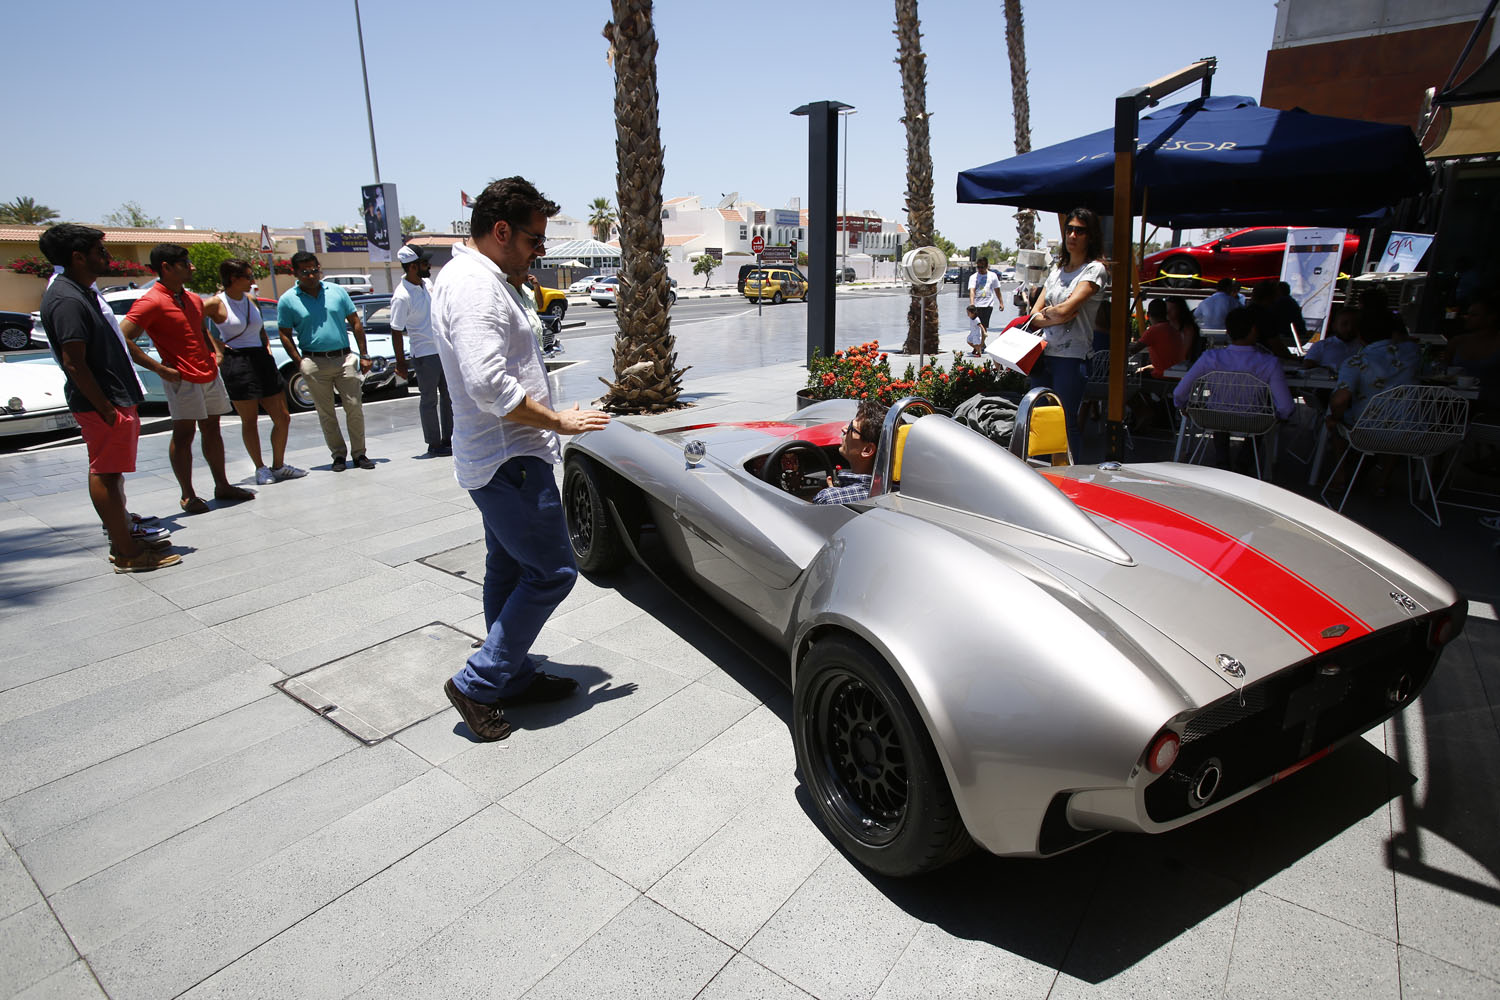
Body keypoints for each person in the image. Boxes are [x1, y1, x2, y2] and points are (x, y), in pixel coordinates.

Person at [431, 176, 611, 743]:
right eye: (535, 239)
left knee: (507, 569)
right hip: (510, 459)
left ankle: (509, 675)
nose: (540, 250)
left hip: (500, 455)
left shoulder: (477, 276)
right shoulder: (475, 287)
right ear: (502, 230)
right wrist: (557, 421)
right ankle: (478, 682)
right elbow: (488, 384)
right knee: (552, 572)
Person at [37, 225, 180, 573]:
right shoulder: (67, 299)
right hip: (103, 403)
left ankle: (124, 538)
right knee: (106, 473)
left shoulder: (80, 292)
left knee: (112, 474)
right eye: (100, 251)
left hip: (112, 398)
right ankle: (127, 552)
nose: (108, 256)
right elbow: (74, 361)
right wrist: (105, 408)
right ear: (78, 257)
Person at [120, 244, 256, 514]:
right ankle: (188, 494)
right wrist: (159, 369)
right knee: (184, 434)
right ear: (166, 267)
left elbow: (201, 330)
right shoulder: (151, 301)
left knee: (213, 429)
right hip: (181, 377)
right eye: (185, 263)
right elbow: (123, 337)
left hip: (207, 372)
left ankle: (222, 485)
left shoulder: (192, 299)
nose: (191, 267)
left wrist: (215, 352)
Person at [202, 258, 305, 485]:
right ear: (233, 278)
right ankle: (260, 467)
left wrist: (266, 348)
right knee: (250, 420)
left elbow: (259, 330)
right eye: (248, 276)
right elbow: (194, 323)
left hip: (260, 358)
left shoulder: (251, 299)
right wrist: (216, 347)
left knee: (283, 417)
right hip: (237, 360)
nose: (252, 280)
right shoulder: (215, 303)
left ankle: (278, 465)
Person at [276, 251, 374, 471]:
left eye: (314, 270)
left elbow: (355, 322)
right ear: (296, 273)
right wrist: (299, 361)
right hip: (314, 362)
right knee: (326, 412)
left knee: (354, 407)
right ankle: (338, 455)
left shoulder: (337, 291)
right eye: (305, 272)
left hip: (344, 358)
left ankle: (359, 454)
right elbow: (284, 333)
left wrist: (364, 354)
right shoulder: (288, 300)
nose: (311, 275)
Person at [1173, 307, 1295, 470]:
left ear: (1228, 331)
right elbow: (1286, 406)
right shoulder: (1270, 362)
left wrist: (1182, 405)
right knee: (1262, 419)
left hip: (1214, 418)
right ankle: (1243, 465)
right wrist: (1279, 416)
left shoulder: (1210, 357)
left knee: (1219, 414)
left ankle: (1222, 462)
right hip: (1253, 421)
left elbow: (1179, 392)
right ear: (1254, 330)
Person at [1027, 207, 1107, 446]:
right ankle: (1041, 467)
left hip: (1072, 357)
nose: (1072, 235)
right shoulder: (1056, 271)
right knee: (1039, 419)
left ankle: (1069, 469)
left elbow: (1065, 310)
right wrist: (1058, 316)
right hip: (1044, 353)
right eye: (1069, 229)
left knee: (1064, 420)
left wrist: (1054, 313)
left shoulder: (1094, 270)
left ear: (1090, 236)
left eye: (1080, 231)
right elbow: (1033, 315)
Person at [389, 244, 452, 457]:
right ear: (413, 267)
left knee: (449, 396)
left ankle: (449, 438)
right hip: (424, 355)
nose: (429, 266)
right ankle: (434, 443)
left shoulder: (427, 284)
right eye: (425, 263)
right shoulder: (402, 296)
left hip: (442, 350)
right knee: (429, 400)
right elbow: (396, 330)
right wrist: (401, 363)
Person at [814, 399, 888, 504]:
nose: (843, 429)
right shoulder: (901, 490)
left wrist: (831, 494)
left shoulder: (829, 499)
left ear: (867, 450)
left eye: (851, 428)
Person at [1129, 298, 1186, 377]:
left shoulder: (1154, 330)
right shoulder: (1175, 328)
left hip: (1163, 377)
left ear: (1148, 315)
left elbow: (1132, 351)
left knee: (1131, 377)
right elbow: (1168, 362)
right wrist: (1146, 368)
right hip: (1177, 375)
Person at [1302, 306, 1360, 372]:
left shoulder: (1364, 347)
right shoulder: (1321, 346)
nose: (1349, 328)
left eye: (1354, 324)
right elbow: (1308, 365)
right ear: (1334, 326)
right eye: (1344, 324)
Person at [968, 257, 1002, 329]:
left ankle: (983, 337)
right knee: (976, 325)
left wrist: (1001, 303)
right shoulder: (973, 277)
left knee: (984, 326)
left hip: (988, 305)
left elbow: (997, 290)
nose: (980, 269)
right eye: (978, 267)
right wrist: (972, 304)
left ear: (986, 266)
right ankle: (979, 336)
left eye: (982, 267)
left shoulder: (993, 276)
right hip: (976, 305)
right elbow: (972, 291)